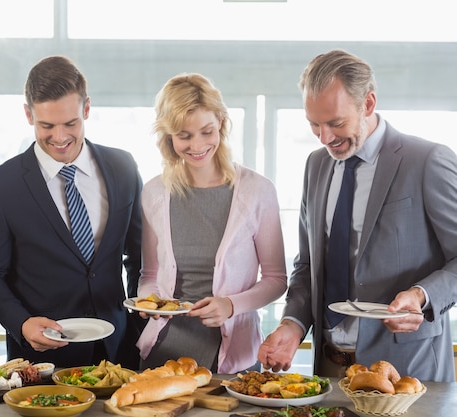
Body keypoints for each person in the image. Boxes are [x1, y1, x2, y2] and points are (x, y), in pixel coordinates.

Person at [258, 49, 457, 382]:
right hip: (329, 370)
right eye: (314, 125)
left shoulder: (427, 161)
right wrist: (292, 325)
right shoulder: (316, 166)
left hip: (406, 373)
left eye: (336, 123)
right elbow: (308, 266)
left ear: (367, 104)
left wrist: (421, 296)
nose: (325, 138)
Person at [0, 56, 143, 369]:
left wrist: (140, 311)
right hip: (43, 359)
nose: (60, 137)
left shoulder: (123, 167)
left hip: (120, 351)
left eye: (70, 124)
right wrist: (21, 323)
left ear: (86, 109)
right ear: (28, 113)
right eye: (46, 125)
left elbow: (138, 254)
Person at [135, 73, 288, 374]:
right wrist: (148, 298)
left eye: (206, 131)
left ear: (220, 120)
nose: (197, 145)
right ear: (169, 136)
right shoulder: (154, 193)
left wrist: (230, 305)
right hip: (163, 355)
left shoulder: (258, 191)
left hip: (234, 361)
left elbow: (276, 279)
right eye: (184, 135)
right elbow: (149, 274)